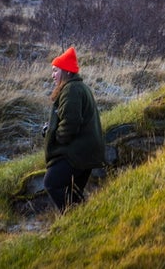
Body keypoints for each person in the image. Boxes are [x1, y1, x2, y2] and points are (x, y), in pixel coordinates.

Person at [42, 46, 106, 213]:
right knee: (74, 193)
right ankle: (81, 222)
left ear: (66, 72)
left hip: (78, 153)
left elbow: (71, 124)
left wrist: (55, 137)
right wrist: (51, 128)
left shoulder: (71, 90)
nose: (52, 75)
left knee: (51, 183)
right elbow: (69, 118)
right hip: (88, 151)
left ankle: (70, 219)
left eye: (56, 71)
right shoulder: (78, 87)